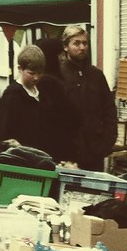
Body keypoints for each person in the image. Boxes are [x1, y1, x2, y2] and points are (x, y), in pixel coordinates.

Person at [57, 24, 118, 171]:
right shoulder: (58, 75)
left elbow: (109, 110)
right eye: (76, 43)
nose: (82, 47)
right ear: (66, 46)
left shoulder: (96, 75)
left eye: (85, 43)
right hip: (67, 154)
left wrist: (106, 143)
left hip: (94, 152)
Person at [0, 44, 58, 157]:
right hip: (19, 158)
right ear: (20, 69)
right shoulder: (12, 96)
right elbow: (0, 131)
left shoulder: (44, 94)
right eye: (31, 73)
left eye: (39, 73)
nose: (36, 77)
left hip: (41, 156)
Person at [32, 35, 78, 165]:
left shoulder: (36, 81)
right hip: (56, 149)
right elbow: (71, 115)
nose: (63, 58)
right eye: (59, 54)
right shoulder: (50, 83)